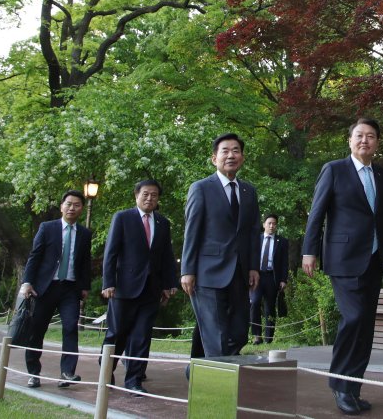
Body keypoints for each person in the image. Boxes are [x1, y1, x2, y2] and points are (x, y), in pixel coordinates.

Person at [302, 118, 383, 416]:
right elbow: (317, 213)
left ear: (377, 142)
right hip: (343, 258)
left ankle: (353, 387)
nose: (365, 140)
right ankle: (339, 385)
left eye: (371, 136)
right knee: (353, 318)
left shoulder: (381, 174)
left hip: (374, 260)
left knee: (365, 325)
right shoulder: (334, 170)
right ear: (349, 140)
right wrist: (309, 252)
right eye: (359, 135)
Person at [181, 133, 261, 358]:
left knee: (239, 333)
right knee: (215, 334)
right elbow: (192, 230)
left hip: (240, 273)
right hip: (207, 272)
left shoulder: (249, 191)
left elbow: (254, 232)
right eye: (225, 151)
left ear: (242, 158)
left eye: (236, 151)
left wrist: (254, 266)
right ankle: (216, 387)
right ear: (214, 158)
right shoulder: (201, 188)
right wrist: (187, 270)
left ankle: (196, 371)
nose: (231, 155)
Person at [101, 179, 179, 396]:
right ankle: (106, 371)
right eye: (145, 194)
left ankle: (134, 380)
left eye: (154, 195)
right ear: (136, 195)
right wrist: (108, 283)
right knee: (117, 333)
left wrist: (169, 284)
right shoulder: (123, 218)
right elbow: (111, 253)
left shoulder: (163, 223)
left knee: (142, 335)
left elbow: (166, 256)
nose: (149, 198)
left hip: (151, 289)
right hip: (123, 288)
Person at [19, 190, 93, 389]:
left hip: (69, 289)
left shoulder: (85, 234)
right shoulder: (47, 228)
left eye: (77, 205)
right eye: (68, 204)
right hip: (44, 288)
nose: (72, 208)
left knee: (70, 328)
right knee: (37, 330)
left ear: (81, 209)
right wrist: (27, 282)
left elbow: (85, 262)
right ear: (62, 206)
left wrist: (85, 286)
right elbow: (34, 257)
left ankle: (67, 372)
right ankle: (33, 372)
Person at [250, 213, 289, 344]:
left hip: (272, 278)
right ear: (264, 225)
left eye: (274, 224)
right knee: (254, 303)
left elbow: (285, 262)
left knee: (270, 308)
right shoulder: (256, 239)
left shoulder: (282, 242)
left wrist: (284, 279)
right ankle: (256, 336)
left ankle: (268, 338)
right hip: (257, 277)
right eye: (269, 223)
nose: (272, 226)